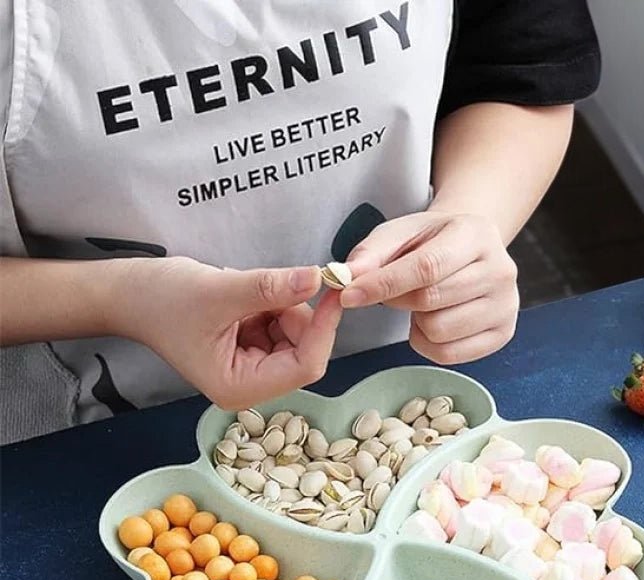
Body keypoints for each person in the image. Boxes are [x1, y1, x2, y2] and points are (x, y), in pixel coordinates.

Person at [0, 1, 601, 445]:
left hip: (410, 398)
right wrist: (122, 298)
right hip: (93, 433)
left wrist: (468, 220)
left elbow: (522, 70)